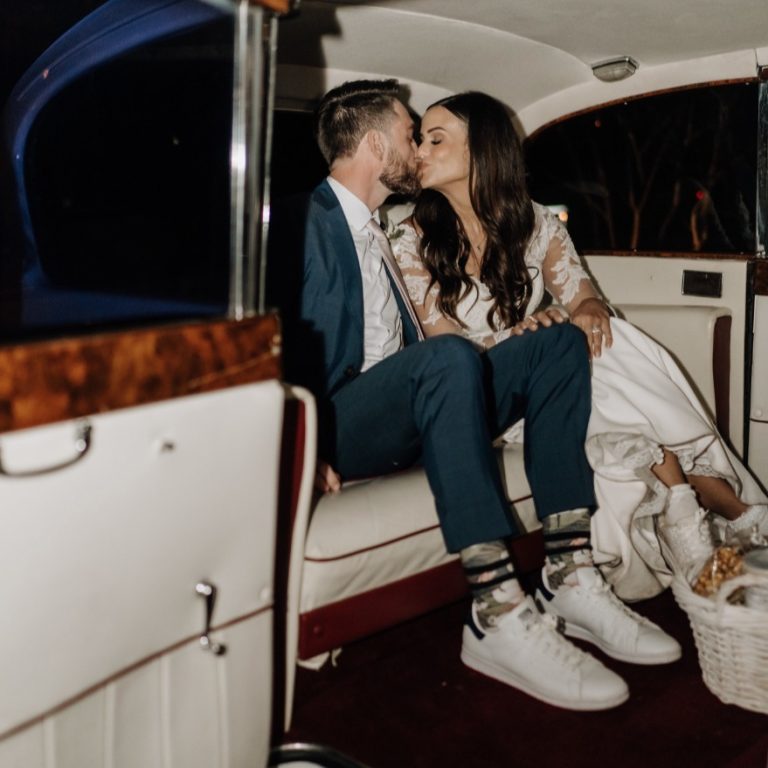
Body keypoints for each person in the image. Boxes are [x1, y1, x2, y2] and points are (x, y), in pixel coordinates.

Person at [269, 79, 682, 713]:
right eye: (410, 134)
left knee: (559, 342)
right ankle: (496, 607)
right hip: (341, 422)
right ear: (376, 145)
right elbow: (258, 343)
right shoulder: (299, 222)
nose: (418, 147)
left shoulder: (385, 233)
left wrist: (572, 312)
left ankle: (570, 570)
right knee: (449, 355)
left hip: (413, 407)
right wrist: (295, 445)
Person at [388, 90, 768, 604]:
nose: (419, 151)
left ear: (482, 150)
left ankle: (686, 503)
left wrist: (582, 312)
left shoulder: (535, 222)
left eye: (435, 140)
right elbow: (449, 352)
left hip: (551, 380)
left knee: (604, 338)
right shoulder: (410, 240)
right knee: (571, 352)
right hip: (480, 394)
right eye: (419, 140)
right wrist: (527, 337)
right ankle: (732, 515)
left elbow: (586, 299)